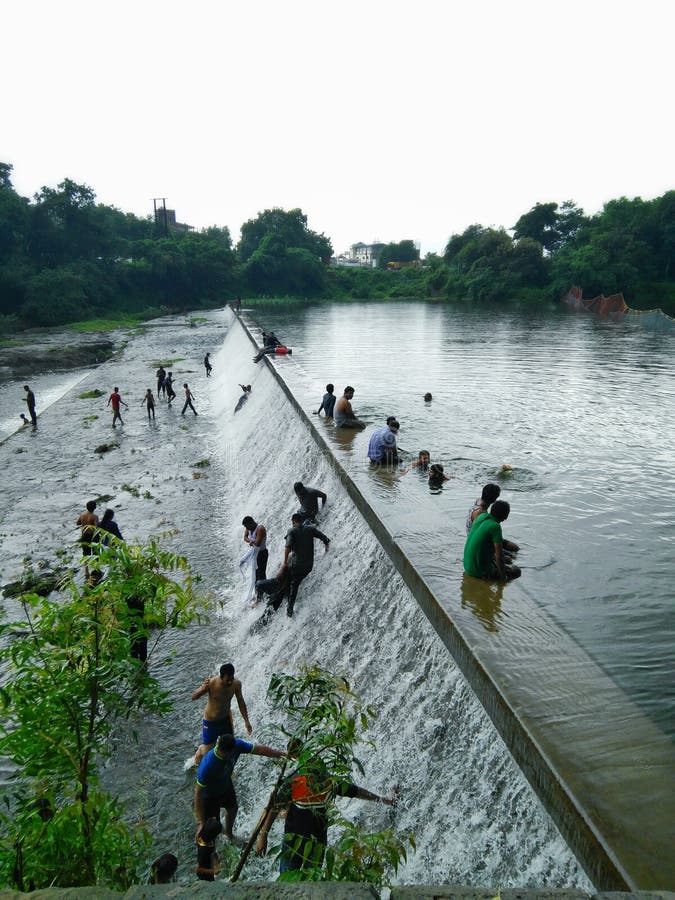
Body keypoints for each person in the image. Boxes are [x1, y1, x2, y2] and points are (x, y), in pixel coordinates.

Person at [256, 739, 398, 874]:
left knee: (310, 883)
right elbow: (274, 808)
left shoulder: (330, 784)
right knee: (287, 882)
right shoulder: (294, 783)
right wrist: (263, 836)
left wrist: (385, 800)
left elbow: (358, 792)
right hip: (292, 843)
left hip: (316, 844)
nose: (318, 779)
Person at [194, 733, 285, 841]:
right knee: (213, 827)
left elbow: (260, 750)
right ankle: (213, 850)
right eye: (226, 755)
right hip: (210, 796)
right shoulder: (207, 766)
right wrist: (200, 822)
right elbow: (198, 793)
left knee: (233, 809)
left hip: (226, 785)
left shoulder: (237, 745)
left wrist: (282, 754)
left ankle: (229, 834)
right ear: (221, 749)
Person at [257, 513, 330, 619]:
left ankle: (269, 600)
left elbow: (287, 547)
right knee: (294, 585)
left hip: (295, 565)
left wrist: (284, 563)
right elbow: (324, 538)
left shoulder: (292, 531)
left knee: (280, 584)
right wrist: (326, 545)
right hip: (308, 566)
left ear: (293, 521)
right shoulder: (311, 529)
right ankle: (289, 609)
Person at [192, 663, 253, 764]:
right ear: (221, 677)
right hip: (210, 722)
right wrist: (202, 689)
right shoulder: (211, 683)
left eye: (231, 678)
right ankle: (200, 753)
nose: (230, 682)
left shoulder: (236, 684)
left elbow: (241, 702)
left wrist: (247, 721)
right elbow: (193, 697)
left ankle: (226, 768)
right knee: (207, 751)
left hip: (225, 720)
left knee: (229, 747)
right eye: (227, 679)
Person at [463, 500, 521, 581]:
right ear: (505, 516)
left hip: (467, 566)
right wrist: (503, 577)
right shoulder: (495, 527)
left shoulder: (481, 516)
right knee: (517, 571)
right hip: (479, 572)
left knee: (507, 559)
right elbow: (499, 557)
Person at [241, 516, 268, 603]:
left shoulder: (260, 529)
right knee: (256, 576)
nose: (246, 528)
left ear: (251, 522)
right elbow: (245, 537)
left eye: (247, 526)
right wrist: (250, 541)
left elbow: (258, 543)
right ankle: (257, 595)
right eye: (245, 527)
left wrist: (252, 542)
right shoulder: (249, 528)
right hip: (254, 554)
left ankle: (262, 597)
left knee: (261, 575)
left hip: (261, 554)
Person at [76, 500, 99, 579]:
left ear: (87, 507)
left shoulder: (82, 515)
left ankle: (86, 571)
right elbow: (97, 528)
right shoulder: (95, 517)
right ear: (95, 508)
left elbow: (77, 523)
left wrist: (84, 524)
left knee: (86, 553)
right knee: (95, 552)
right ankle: (96, 569)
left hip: (84, 536)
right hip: (93, 536)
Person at [195, 816, 222, 881]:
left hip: (209, 861)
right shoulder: (204, 850)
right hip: (205, 876)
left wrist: (216, 857)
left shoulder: (203, 835)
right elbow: (198, 870)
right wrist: (213, 871)